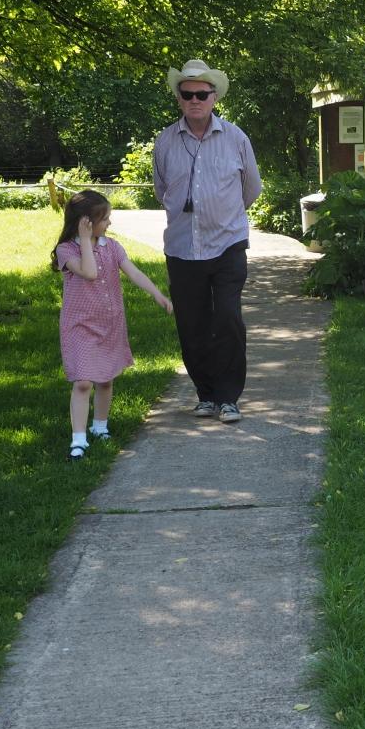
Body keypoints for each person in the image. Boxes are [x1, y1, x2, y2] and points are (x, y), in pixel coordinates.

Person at [153, 58, 262, 424]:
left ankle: (229, 397)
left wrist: (223, 215)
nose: (194, 100)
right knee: (192, 324)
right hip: (182, 248)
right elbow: (162, 190)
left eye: (202, 94)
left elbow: (251, 188)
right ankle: (206, 395)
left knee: (228, 318)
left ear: (214, 97)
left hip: (228, 244)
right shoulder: (165, 141)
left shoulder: (236, 138)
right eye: (187, 94)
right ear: (179, 98)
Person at [53, 190, 174, 460]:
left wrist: (157, 294)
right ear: (85, 222)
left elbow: (134, 272)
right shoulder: (67, 250)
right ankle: (78, 440)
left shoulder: (113, 247)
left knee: (105, 379)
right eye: (105, 218)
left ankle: (100, 427)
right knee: (83, 382)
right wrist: (85, 240)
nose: (109, 223)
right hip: (80, 326)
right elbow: (89, 272)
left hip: (109, 323)